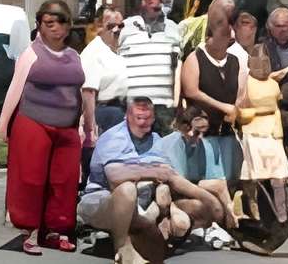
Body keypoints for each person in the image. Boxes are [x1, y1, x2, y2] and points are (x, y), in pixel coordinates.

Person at [0, 0, 91, 254]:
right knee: (30, 178)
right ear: (39, 25)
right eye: (49, 23)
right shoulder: (31, 53)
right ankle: (26, 232)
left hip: (67, 127)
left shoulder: (74, 55)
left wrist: (86, 125)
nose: (56, 29)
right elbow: (15, 88)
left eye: (62, 23)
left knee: (64, 181)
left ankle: (54, 230)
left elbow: (79, 92)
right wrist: (3, 125)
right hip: (33, 122)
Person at [81, 97, 223, 264]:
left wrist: (210, 199)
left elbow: (171, 176)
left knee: (195, 207)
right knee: (127, 189)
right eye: (138, 118)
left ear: (153, 118)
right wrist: (151, 172)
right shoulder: (114, 137)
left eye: (147, 118)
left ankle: (149, 234)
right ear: (127, 116)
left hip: (144, 203)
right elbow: (116, 178)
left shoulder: (155, 139)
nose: (142, 123)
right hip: (103, 200)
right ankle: (122, 249)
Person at [180, 7, 243, 213]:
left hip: (227, 130)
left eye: (229, 35)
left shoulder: (233, 61)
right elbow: (191, 91)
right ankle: (211, 219)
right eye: (223, 35)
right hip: (204, 130)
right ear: (210, 36)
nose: (228, 39)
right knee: (210, 178)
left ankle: (228, 217)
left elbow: (240, 90)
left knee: (229, 177)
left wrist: (237, 108)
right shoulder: (195, 58)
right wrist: (221, 105)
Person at [155, 106, 234, 248]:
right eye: (196, 131)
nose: (199, 136)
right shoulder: (172, 144)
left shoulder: (203, 144)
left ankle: (231, 222)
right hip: (168, 195)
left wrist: (228, 206)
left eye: (203, 131)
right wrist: (211, 200)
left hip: (189, 189)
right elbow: (177, 185)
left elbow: (212, 178)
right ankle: (198, 228)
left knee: (218, 186)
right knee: (201, 205)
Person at [238, 47, 288, 224]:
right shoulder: (245, 83)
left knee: (279, 176)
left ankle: (282, 216)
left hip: (272, 133)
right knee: (254, 178)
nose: (262, 66)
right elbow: (239, 109)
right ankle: (256, 217)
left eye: (266, 62)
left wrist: (279, 134)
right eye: (258, 62)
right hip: (252, 132)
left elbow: (276, 109)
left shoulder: (273, 84)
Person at [119, 0, 182, 128]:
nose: (153, 1)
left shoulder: (173, 28)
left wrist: (176, 104)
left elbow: (177, 67)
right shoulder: (125, 27)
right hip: (133, 106)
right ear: (140, 1)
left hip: (165, 108)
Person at [82, 5, 129, 135]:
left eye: (120, 26)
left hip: (125, 112)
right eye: (110, 26)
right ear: (99, 26)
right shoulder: (94, 52)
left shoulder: (120, 49)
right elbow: (88, 93)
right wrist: (90, 130)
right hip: (106, 115)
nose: (116, 30)